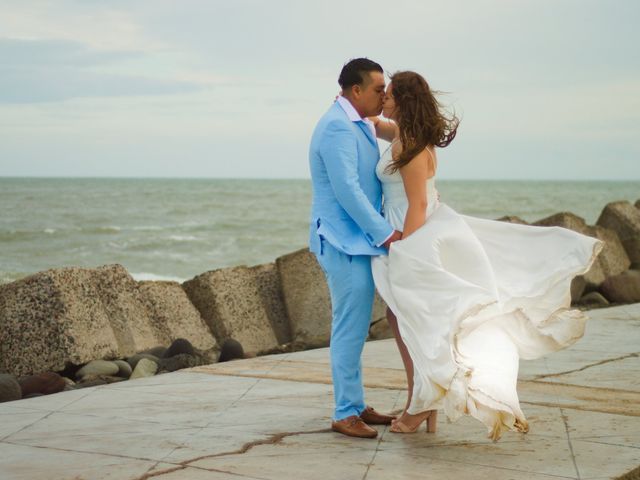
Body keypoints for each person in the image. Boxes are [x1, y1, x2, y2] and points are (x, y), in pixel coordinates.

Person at [370, 71, 604, 440]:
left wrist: (405, 252)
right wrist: (353, 108)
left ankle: (422, 402)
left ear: (403, 100)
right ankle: (423, 400)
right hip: (425, 227)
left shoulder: (409, 146)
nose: (383, 97)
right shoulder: (405, 136)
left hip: (417, 234)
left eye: (389, 93)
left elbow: (415, 205)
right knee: (415, 320)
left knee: (424, 321)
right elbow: (378, 125)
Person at [308, 58, 402, 439]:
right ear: (356, 90)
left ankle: (356, 403)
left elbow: (398, 133)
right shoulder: (335, 127)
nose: (384, 95)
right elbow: (347, 189)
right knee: (349, 326)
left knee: (357, 325)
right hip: (341, 240)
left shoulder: (359, 120)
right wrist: (385, 233)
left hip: (356, 240)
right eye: (379, 89)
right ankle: (344, 412)